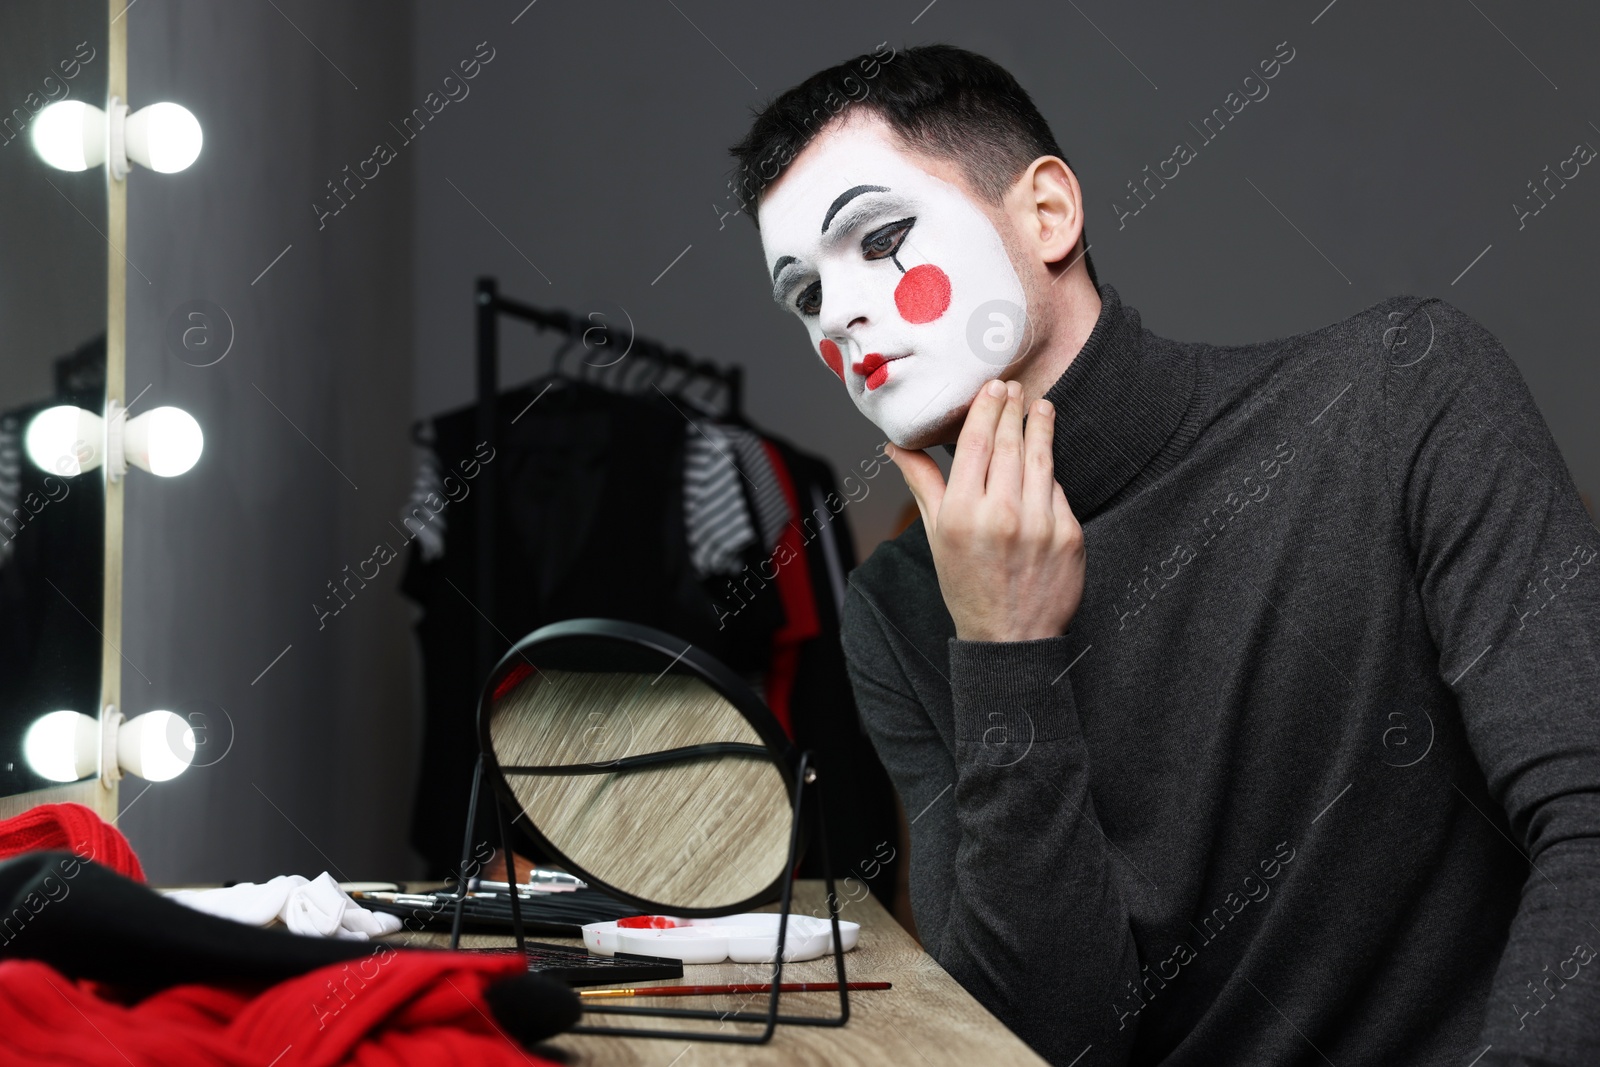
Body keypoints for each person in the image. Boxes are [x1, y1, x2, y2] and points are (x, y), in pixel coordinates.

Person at [729, 43, 1600, 1067]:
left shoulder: (1399, 395)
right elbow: (1043, 1037)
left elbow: (1585, 817)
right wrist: (1004, 650)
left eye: (879, 239)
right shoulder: (901, 606)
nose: (837, 314)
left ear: (1047, 215)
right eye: (802, 296)